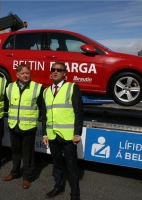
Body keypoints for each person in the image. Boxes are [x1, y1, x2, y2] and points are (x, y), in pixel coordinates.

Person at [42, 62, 84, 200]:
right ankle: (58, 187)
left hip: (68, 137)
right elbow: (45, 115)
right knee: (57, 165)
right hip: (52, 135)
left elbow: (79, 112)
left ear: (64, 73)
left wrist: (77, 133)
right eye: (53, 69)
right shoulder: (46, 91)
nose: (55, 72)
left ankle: (75, 195)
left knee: (71, 167)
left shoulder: (72, 87)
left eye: (59, 70)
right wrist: (44, 133)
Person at [3, 64, 43, 189]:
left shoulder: (37, 87)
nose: (26, 75)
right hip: (14, 125)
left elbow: (42, 107)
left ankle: (27, 177)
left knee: (28, 154)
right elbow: (6, 104)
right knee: (15, 152)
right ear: (17, 75)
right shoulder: (9, 87)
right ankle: (14, 172)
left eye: (27, 73)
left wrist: (34, 117)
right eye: (23, 73)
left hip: (29, 126)